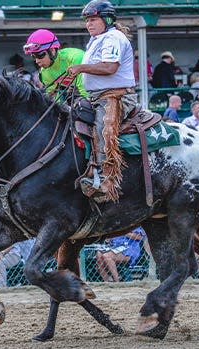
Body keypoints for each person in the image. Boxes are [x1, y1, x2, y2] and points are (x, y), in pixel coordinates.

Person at [66, 0, 136, 202]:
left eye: (93, 19)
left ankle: (106, 180)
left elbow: (109, 68)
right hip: (96, 96)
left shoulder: (113, 38)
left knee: (103, 128)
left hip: (116, 96)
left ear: (106, 19)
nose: (89, 23)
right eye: (87, 20)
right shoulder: (97, 40)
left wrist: (81, 68)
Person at [23, 29, 87, 100]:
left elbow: (86, 93)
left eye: (40, 55)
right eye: (33, 57)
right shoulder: (44, 72)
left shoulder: (75, 57)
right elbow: (55, 100)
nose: (37, 61)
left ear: (52, 50)